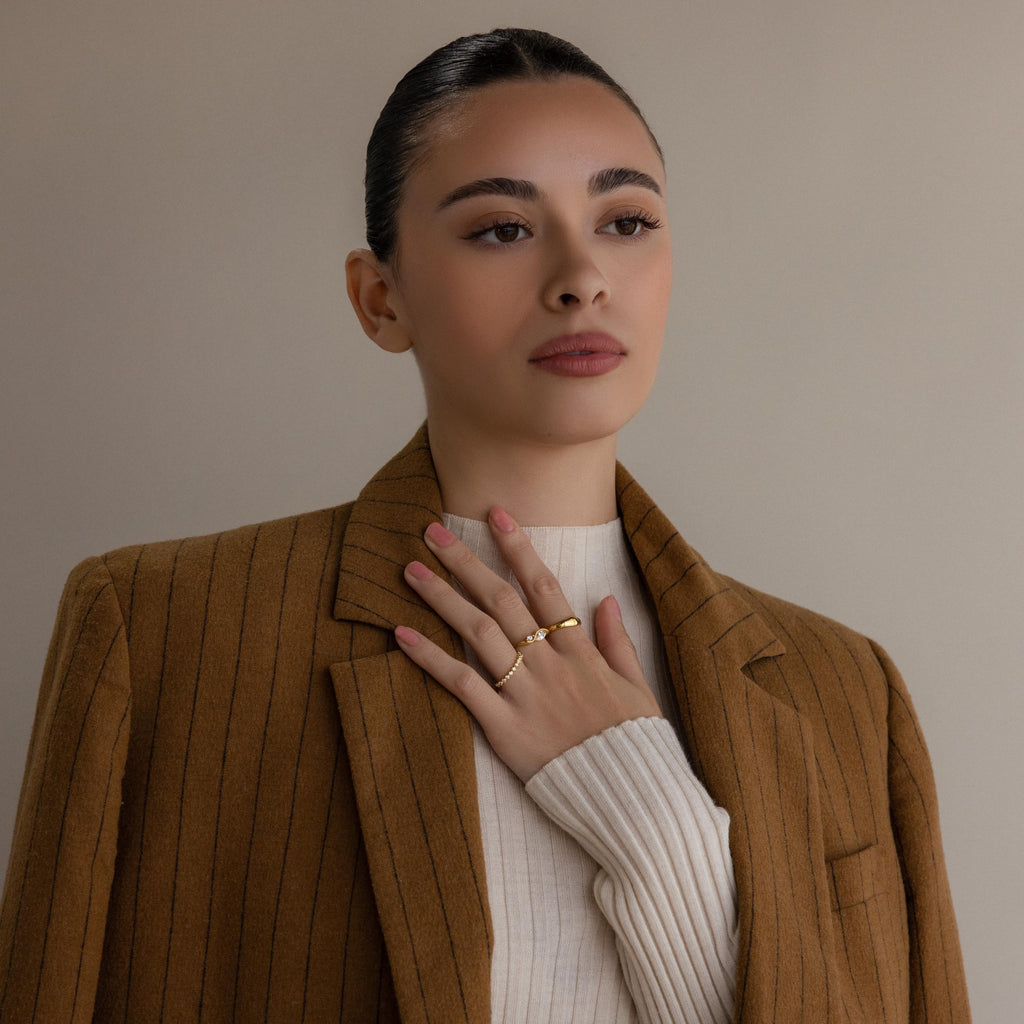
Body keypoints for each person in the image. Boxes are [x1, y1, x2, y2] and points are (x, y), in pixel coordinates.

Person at [0, 27, 969, 1024]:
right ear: (381, 300)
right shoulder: (162, 633)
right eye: (503, 227)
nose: (580, 275)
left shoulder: (845, 691)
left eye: (626, 220)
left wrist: (659, 827)